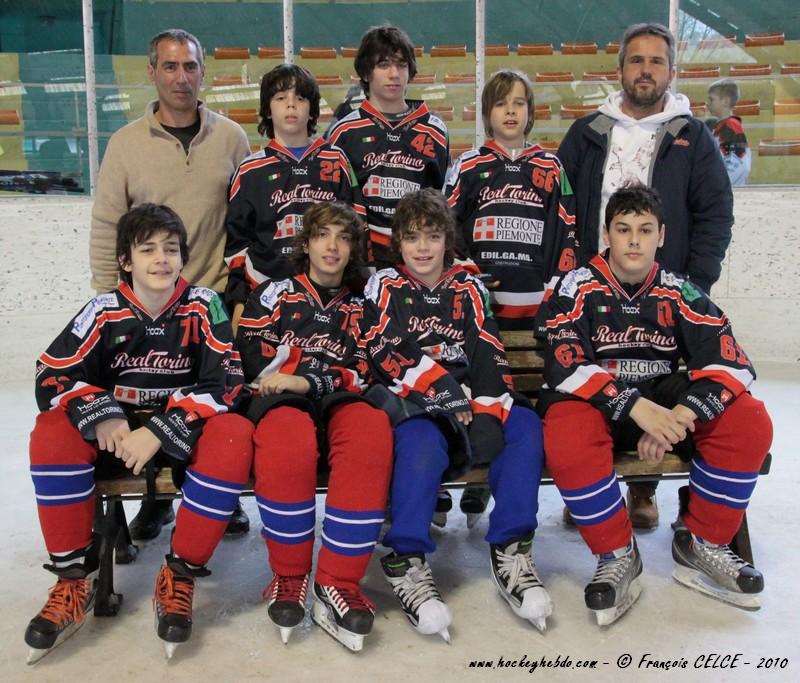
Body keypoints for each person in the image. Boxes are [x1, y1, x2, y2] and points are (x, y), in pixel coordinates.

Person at [26, 204, 254, 662]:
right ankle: (74, 580)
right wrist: (102, 414)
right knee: (51, 431)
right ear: (126, 261)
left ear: (183, 257)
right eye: (147, 249)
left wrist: (160, 429)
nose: (161, 259)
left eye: (171, 249)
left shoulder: (203, 305)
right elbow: (51, 373)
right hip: (117, 438)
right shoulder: (103, 310)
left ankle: (180, 574)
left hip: (181, 432)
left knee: (233, 434)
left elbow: (228, 383)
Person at [537, 184, 772, 625]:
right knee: (566, 429)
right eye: (623, 229)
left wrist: (680, 416)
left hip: (661, 407)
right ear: (606, 234)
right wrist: (636, 408)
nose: (634, 240)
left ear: (661, 236)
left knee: (749, 419)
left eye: (645, 230)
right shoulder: (575, 286)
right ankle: (617, 553)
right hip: (600, 405)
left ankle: (701, 542)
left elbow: (731, 359)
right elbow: (565, 362)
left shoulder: (679, 290)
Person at [557, 22, 735, 526]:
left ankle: (642, 485)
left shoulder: (692, 136)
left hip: (663, 291)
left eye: (656, 61)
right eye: (636, 60)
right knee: (598, 381)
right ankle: (592, 481)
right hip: (594, 291)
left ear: (671, 71)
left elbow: (715, 214)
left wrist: (694, 284)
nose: (645, 70)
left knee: (655, 380)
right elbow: (559, 209)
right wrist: (566, 275)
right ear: (620, 69)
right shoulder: (588, 132)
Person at [361, 188, 551, 641]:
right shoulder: (382, 285)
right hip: (411, 398)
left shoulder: (469, 287)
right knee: (421, 443)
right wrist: (445, 394)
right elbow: (384, 347)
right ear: (398, 243)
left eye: (432, 236)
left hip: (467, 396)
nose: (422, 247)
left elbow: (487, 347)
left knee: (523, 426)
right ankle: (406, 558)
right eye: (412, 237)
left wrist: (486, 407)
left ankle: (512, 547)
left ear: (447, 239)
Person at [90, 29, 251, 539]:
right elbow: (107, 225)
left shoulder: (231, 138)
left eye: (190, 66)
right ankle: (154, 499)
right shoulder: (125, 144)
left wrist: (242, 298)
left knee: (211, 403)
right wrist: (108, 300)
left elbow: (246, 221)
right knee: (145, 402)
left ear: (203, 72)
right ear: (152, 72)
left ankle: (218, 494)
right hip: (145, 306)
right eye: (170, 66)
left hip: (213, 302)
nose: (181, 77)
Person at [236, 202, 393, 652]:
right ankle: (289, 576)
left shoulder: (362, 306)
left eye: (343, 237)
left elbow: (365, 369)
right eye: (323, 235)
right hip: (280, 403)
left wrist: (306, 377)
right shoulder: (274, 294)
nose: (332, 246)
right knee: (287, 438)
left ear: (354, 249)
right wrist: (303, 377)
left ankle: (338, 581)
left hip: (336, 399)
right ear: (305, 244)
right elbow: (253, 359)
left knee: (371, 431)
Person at [224, 64, 364, 330]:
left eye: (300, 98)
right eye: (280, 98)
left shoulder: (336, 160)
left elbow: (355, 229)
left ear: (312, 109)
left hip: (328, 297)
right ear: (268, 109)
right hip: (265, 294)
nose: (291, 105)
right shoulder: (249, 170)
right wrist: (240, 301)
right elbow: (237, 247)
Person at [327, 24, 449, 267]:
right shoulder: (344, 131)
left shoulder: (434, 130)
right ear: (365, 73)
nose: (394, 74)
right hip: (361, 257)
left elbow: (442, 201)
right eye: (383, 65)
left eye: (401, 65)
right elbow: (334, 204)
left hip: (418, 254)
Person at [706, 78, 751, 186]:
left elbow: (738, 159)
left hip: (728, 188)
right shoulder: (716, 126)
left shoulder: (731, 126)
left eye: (712, 100)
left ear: (726, 101)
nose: (707, 103)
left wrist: (721, 184)